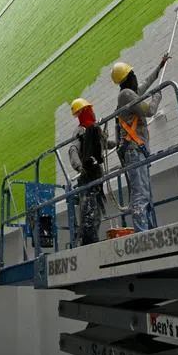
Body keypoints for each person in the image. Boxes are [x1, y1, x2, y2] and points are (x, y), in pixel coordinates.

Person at [111, 54, 169, 232]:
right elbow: (150, 110)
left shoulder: (128, 93)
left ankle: (150, 231)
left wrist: (159, 67)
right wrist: (157, 95)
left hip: (138, 152)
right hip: (135, 152)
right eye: (132, 74)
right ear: (128, 77)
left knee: (146, 194)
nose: (136, 77)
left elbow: (144, 84)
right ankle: (143, 234)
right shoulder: (126, 94)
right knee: (141, 195)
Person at [67, 98, 114, 245]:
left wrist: (117, 143)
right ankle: (87, 244)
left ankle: (91, 242)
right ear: (84, 112)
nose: (92, 112)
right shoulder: (81, 130)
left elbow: (103, 144)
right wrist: (79, 167)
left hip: (96, 175)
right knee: (88, 214)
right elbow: (73, 149)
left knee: (95, 215)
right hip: (87, 176)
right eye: (89, 109)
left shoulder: (94, 129)